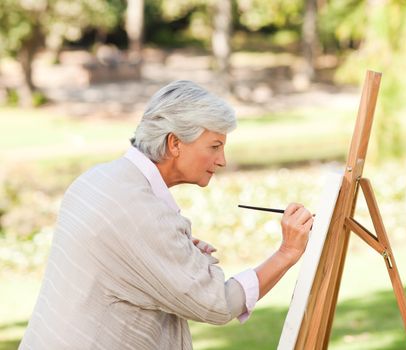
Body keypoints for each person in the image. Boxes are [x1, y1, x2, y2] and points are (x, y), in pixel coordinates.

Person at [20, 80, 314, 349]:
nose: (222, 160)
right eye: (214, 146)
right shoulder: (143, 212)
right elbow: (218, 303)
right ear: (175, 143)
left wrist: (176, 256)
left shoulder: (98, 178)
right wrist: (286, 252)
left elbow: (127, 265)